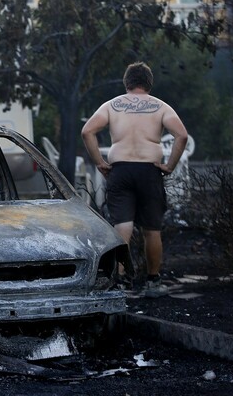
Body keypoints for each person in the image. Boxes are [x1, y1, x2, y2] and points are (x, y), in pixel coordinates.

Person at [81, 61, 188, 298]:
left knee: (123, 226)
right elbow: (181, 135)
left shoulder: (111, 106)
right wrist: (169, 166)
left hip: (120, 170)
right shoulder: (161, 107)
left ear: (126, 82)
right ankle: (153, 281)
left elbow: (87, 131)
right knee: (152, 229)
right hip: (150, 171)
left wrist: (99, 161)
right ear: (149, 83)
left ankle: (120, 281)